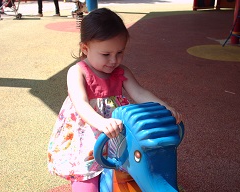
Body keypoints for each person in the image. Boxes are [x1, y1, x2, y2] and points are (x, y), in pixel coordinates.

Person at [47, 8, 182, 192]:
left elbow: (140, 93)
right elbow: (81, 104)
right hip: (87, 138)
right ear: (85, 48)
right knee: (87, 183)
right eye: (106, 54)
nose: (113, 60)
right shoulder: (77, 72)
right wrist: (101, 122)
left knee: (126, 175)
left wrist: (165, 107)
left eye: (120, 52)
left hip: (116, 135)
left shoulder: (121, 72)